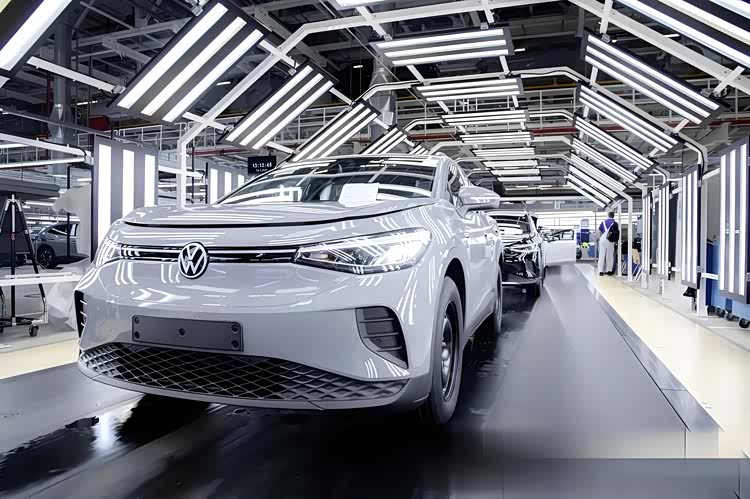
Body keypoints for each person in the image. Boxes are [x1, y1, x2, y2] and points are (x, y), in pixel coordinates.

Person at [598, 211, 618, 276]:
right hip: (610, 240)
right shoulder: (615, 223)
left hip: (603, 240)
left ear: (608, 215)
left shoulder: (603, 222)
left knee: (601, 255)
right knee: (610, 256)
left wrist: (599, 238)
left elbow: (598, 232)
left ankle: (600, 271)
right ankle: (609, 271)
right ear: (613, 216)